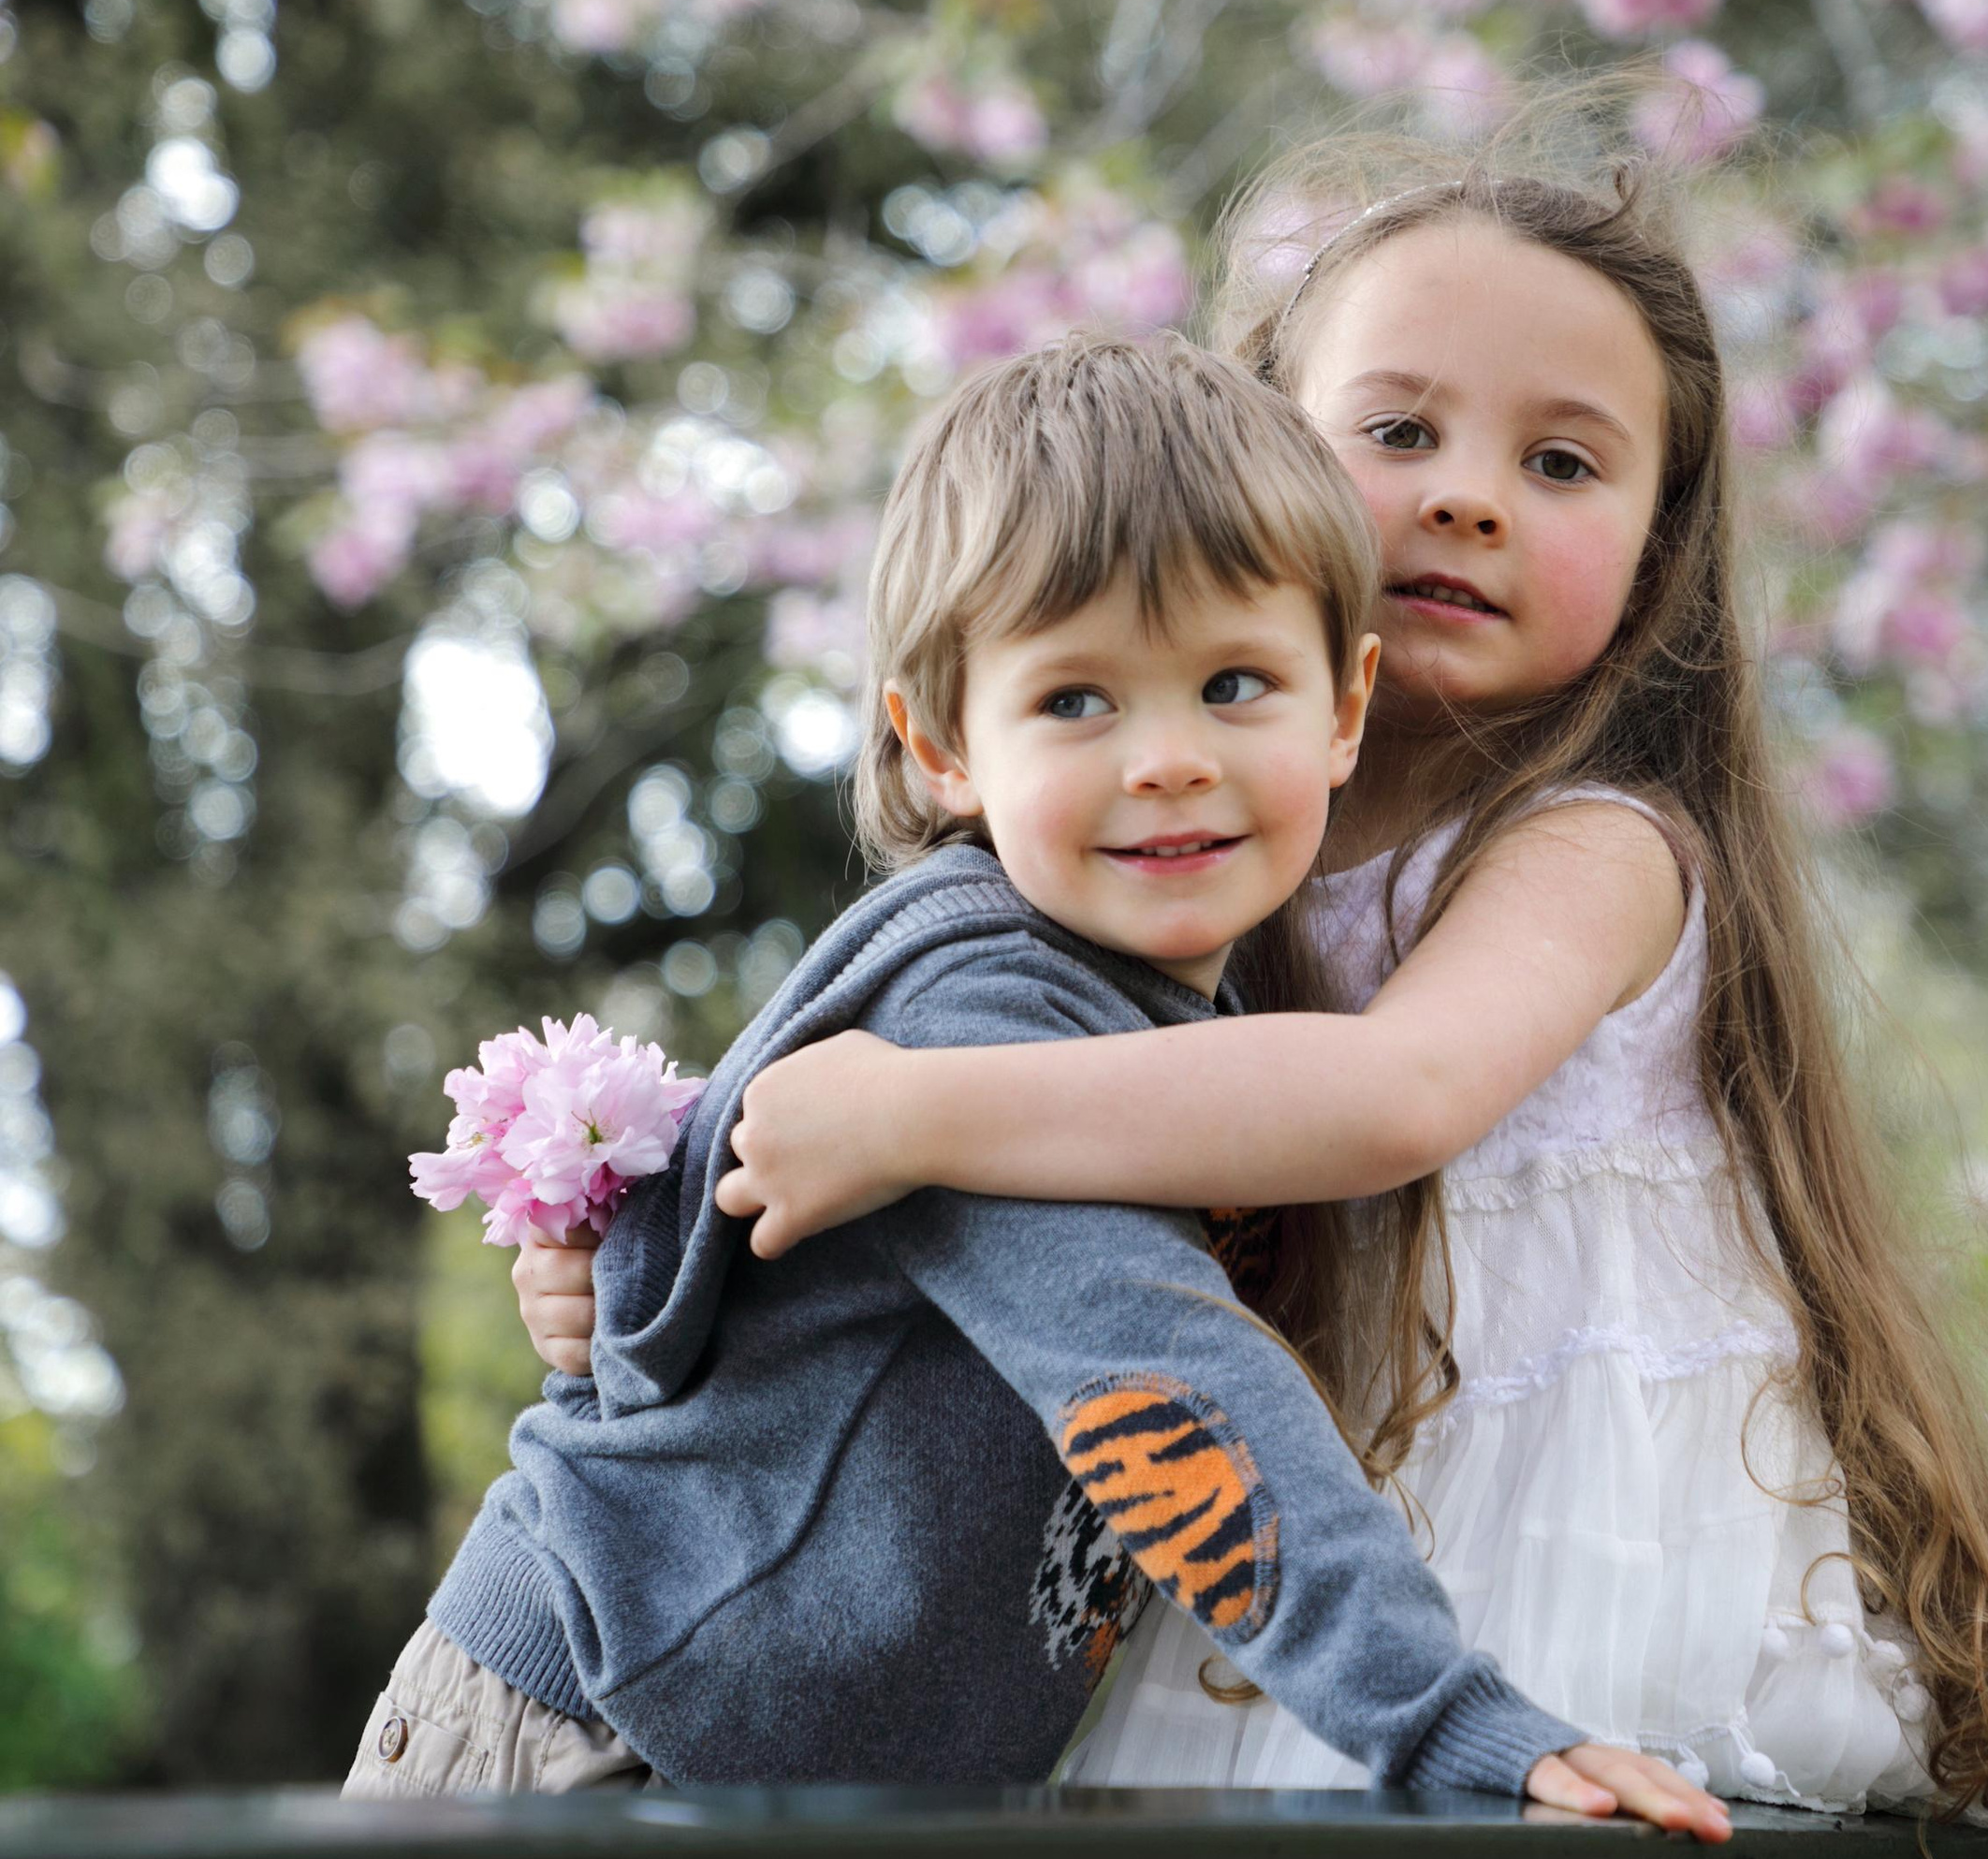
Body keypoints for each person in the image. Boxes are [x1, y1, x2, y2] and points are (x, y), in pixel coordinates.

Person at [683, 85, 1988, 1822]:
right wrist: (663, 1260)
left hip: (1553, 1533)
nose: (1468, 498)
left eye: (1560, 462)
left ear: (1656, 551)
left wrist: (914, 1118)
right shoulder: (1165, 856)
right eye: (1397, 433)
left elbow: (1397, 1096)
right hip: (1280, 1526)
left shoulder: (1597, 850)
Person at [355, 332, 1725, 1833]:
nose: (1168, 759)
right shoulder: (979, 1008)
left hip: (768, 1755)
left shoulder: (1131, 1004)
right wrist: (1448, 1720)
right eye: (1078, 701)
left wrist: (611, 1267)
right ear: (941, 742)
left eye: (1233, 683)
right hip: (606, 1733)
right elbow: (1167, 1381)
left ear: (1343, 707)